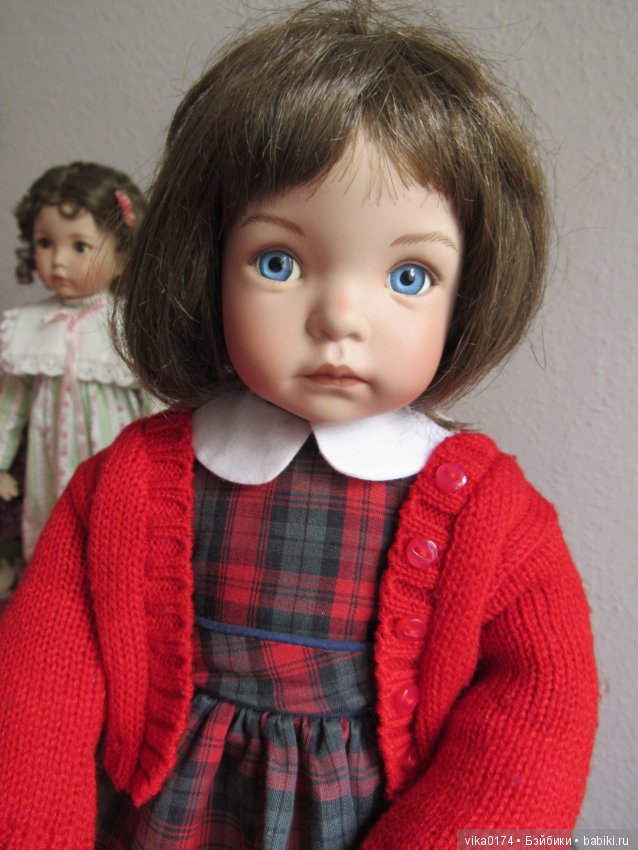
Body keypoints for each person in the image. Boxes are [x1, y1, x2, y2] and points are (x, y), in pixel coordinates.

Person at [0, 2, 598, 847]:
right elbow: (41, 686)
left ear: (469, 291)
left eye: (410, 275)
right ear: (207, 262)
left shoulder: (488, 515)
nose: (339, 318)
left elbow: (544, 703)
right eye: (277, 262)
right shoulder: (130, 483)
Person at [0, 162, 156, 564]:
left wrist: (163, 462)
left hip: (114, 454)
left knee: (115, 530)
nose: (57, 261)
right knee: (51, 528)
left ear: (122, 256)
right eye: (44, 243)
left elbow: (155, 400)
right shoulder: (27, 324)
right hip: (48, 457)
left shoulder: (130, 323)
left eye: (79, 247)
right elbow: (11, 405)